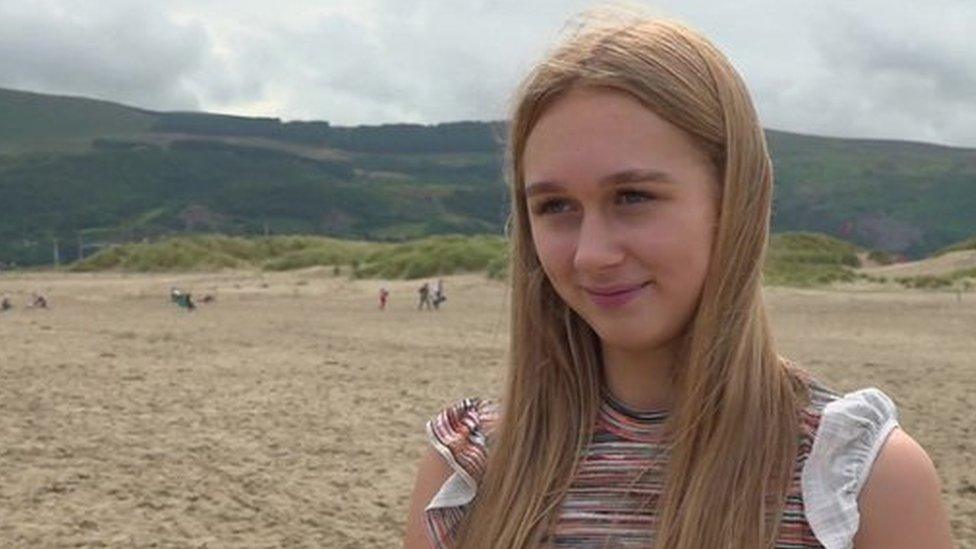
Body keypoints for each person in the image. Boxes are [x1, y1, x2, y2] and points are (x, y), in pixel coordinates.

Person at [403, 13, 955, 549]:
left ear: (734, 200)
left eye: (634, 197)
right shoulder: (470, 473)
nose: (592, 254)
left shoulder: (856, 481)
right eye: (555, 206)